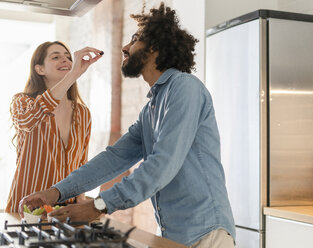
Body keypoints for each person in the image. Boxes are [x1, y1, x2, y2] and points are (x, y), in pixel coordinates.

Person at [18, 3, 236, 247]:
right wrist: (56, 192)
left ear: (154, 47)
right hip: (174, 233)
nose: (125, 47)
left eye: (134, 39)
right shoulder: (151, 109)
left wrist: (98, 206)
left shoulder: (185, 88)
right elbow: (114, 158)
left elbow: (163, 164)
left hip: (206, 234)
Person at [5, 41, 103, 212]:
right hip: (27, 207)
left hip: (67, 211)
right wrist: (73, 75)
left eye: (67, 57)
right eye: (56, 57)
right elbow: (28, 121)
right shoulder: (23, 102)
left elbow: (81, 162)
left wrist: (81, 201)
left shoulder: (82, 112)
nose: (65, 60)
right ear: (40, 69)